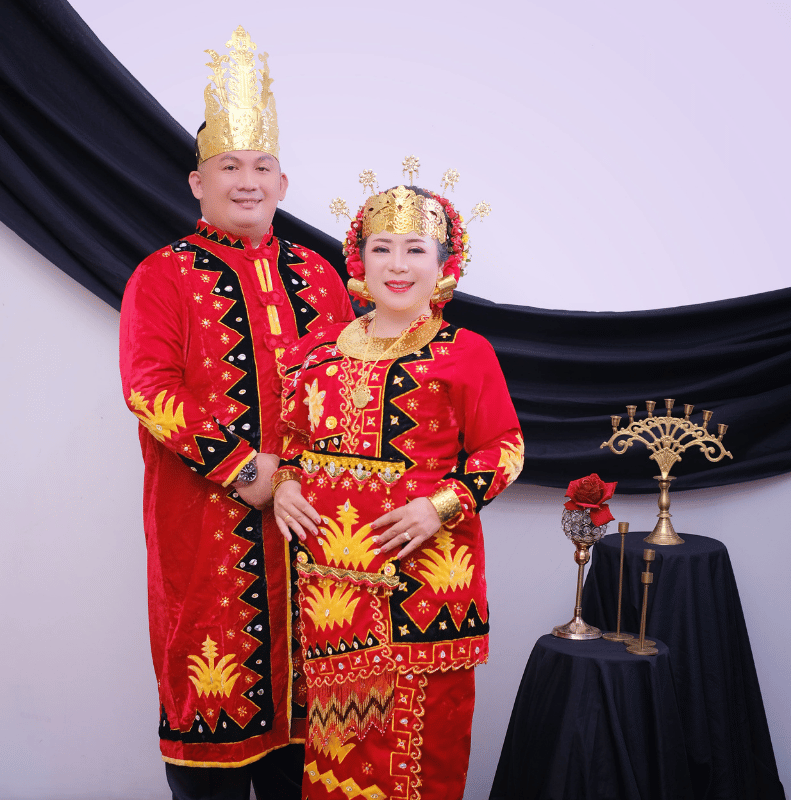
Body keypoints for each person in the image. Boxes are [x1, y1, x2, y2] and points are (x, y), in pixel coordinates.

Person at [118, 27, 353, 800]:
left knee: (309, 764)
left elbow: (348, 387)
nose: (246, 181)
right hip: (207, 535)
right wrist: (252, 472)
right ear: (198, 182)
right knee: (211, 742)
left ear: (283, 182)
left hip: (315, 539)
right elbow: (150, 390)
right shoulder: (162, 276)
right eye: (229, 166)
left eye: (260, 166)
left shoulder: (319, 275)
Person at [272, 171, 524, 799]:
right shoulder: (318, 352)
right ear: (359, 258)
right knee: (338, 760)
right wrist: (285, 485)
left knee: (423, 757)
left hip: (426, 582)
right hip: (333, 594)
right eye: (382, 247)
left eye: (416, 249)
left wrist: (441, 505)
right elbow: (293, 443)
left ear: (443, 263)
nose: (398, 264)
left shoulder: (466, 351)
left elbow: (505, 448)